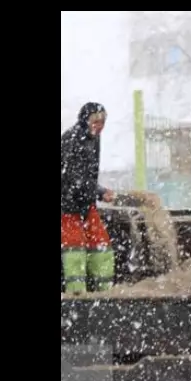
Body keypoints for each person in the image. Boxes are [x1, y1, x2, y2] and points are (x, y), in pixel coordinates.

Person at [61, 102, 116, 294]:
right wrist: (100, 192)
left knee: (101, 246)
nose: (99, 125)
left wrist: (95, 193)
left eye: (103, 121)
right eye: (95, 120)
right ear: (85, 120)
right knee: (74, 249)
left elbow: (87, 177)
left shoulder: (94, 139)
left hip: (86, 202)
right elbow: (73, 178)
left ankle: (105, 292)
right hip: (68, 205)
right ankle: (76, 294)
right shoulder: (71, 139)